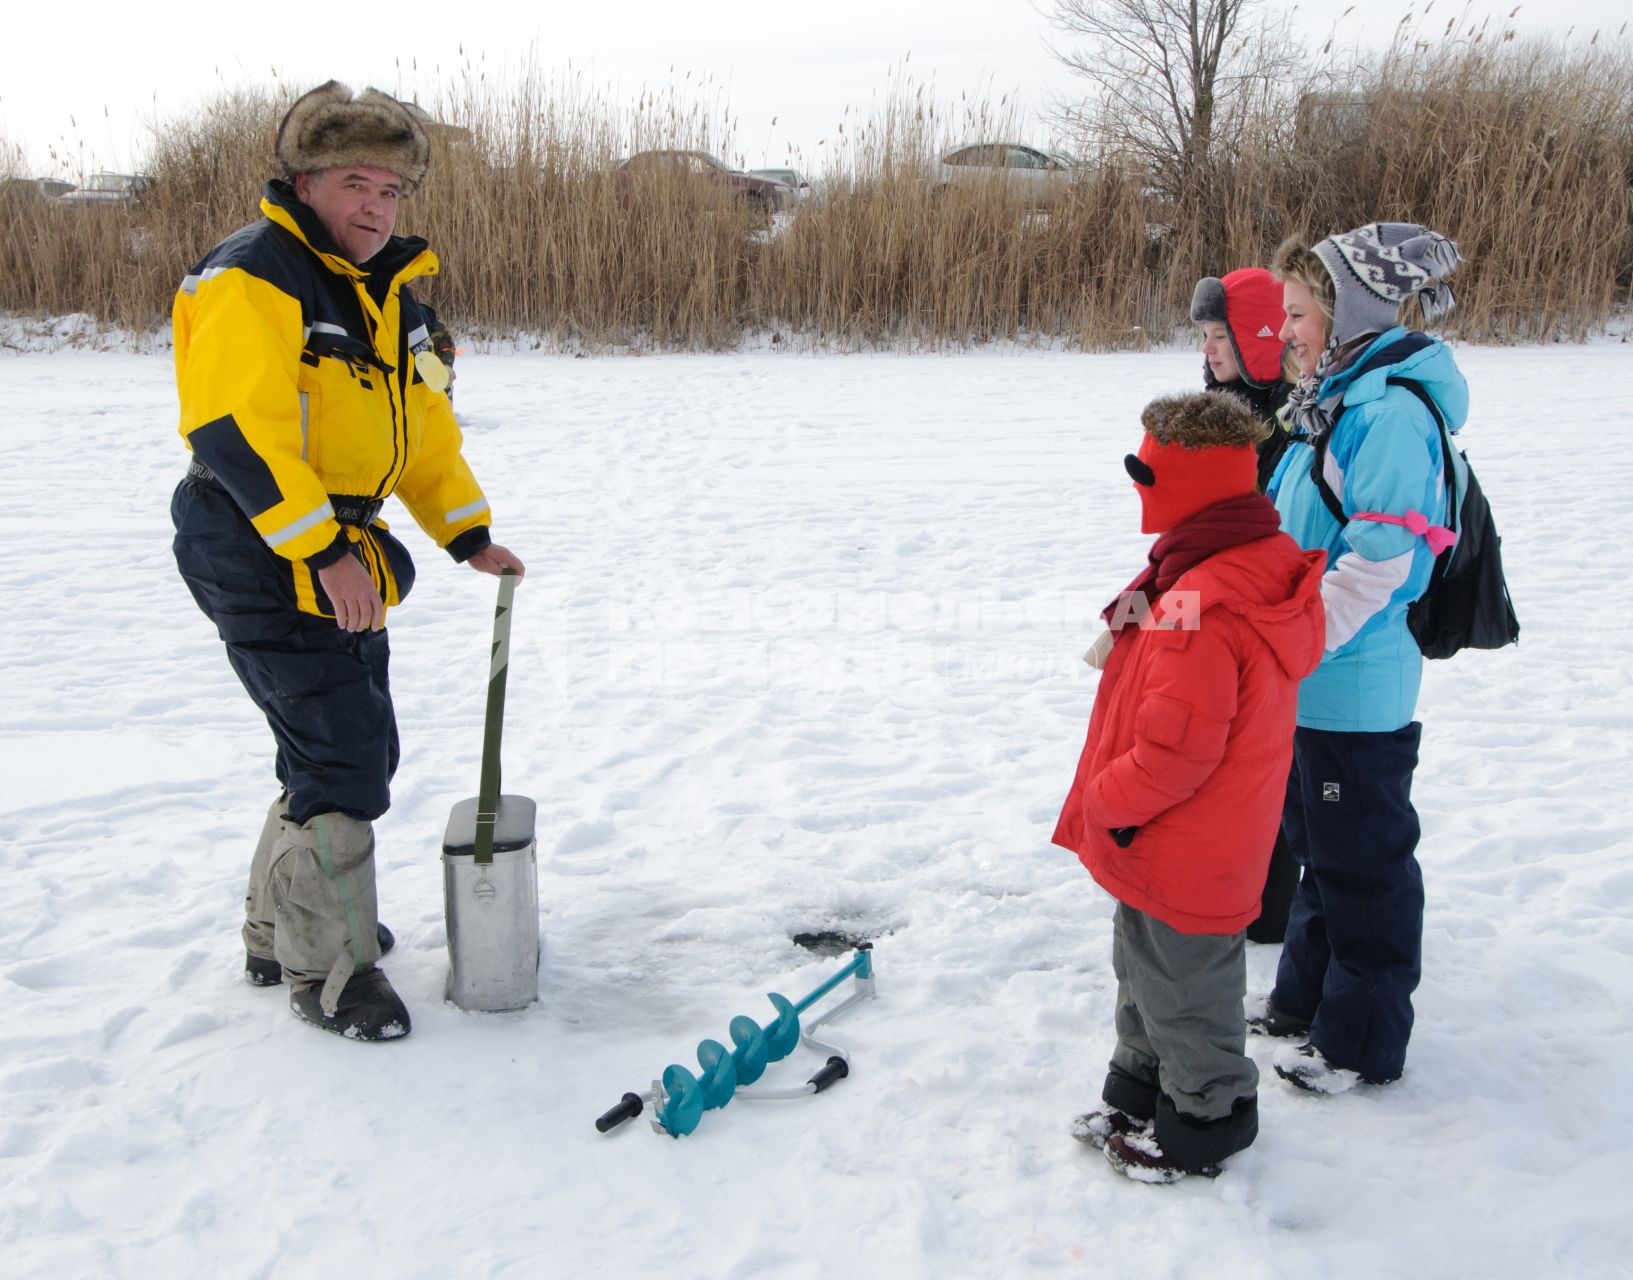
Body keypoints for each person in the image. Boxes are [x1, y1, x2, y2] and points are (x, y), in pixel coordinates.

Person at [170, 81, 525, 1042]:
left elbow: (424, 433)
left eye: (393, 190)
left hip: (335, 538)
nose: (376, 206)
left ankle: (271, 931)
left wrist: (464, 532)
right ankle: (331, 972)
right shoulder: (258, 272)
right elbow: (232, 429)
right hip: (258, 533)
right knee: (346, 753)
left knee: (328, 737)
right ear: (304, 182)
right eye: (355, 183)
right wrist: (325, 551)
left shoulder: (389, 293)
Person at [1054, 391, 1324, 1181]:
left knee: (1185, 994)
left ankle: (1205, 1122)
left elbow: (1176, 756)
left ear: (1192, 487)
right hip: (1171, 838)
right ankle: (1139, 1090)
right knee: (1141, 972)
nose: (1136, 482)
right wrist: (1121, 621)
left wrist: (1106, 801)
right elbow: (1161, 610)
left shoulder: (1205, 604)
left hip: (1179, 835)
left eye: (1148, 470)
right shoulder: (1215, 558)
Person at [1253, 222, 1466, 1093]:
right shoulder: (1334, 400)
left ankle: (1360, 1043)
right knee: (1317, 846)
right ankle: (1304, 1004)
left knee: (1362, 865)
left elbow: (1380, 558)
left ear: (1348, 312)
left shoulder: (1384, 415)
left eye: (1297, 312)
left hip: (1351, 683)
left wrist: (1298, 645)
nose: (1285, 330)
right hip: (1311, 680)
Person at [1190, 266, 1302, 943]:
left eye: (1217, 335)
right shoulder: (1220, 409)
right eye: (1201, 336)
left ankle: (1269, 907)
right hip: (1215, 610)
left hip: (1260, 617)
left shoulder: (1286, 420)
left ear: (1256, 337)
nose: (1206, 349)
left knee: (1268, 762)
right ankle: (1232, 887)